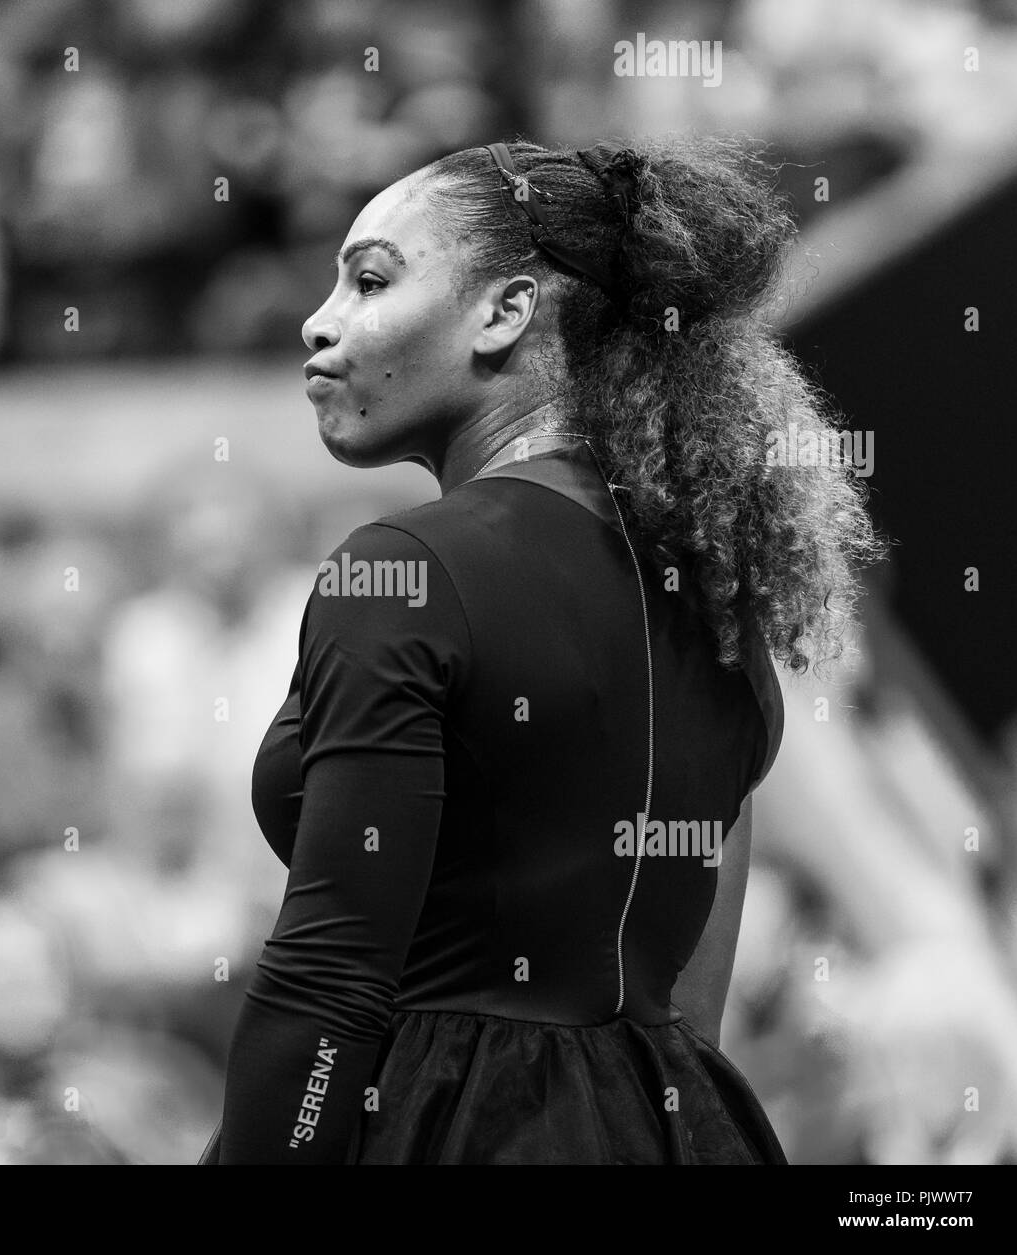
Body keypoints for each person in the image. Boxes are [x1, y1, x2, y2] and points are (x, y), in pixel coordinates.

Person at [200, 136, 884, 1164]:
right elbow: (687, 1005)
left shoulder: (404, 569)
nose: (318, 318)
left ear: (504, 312)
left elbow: (329, 983)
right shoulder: (711, 595)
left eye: (370, 278)